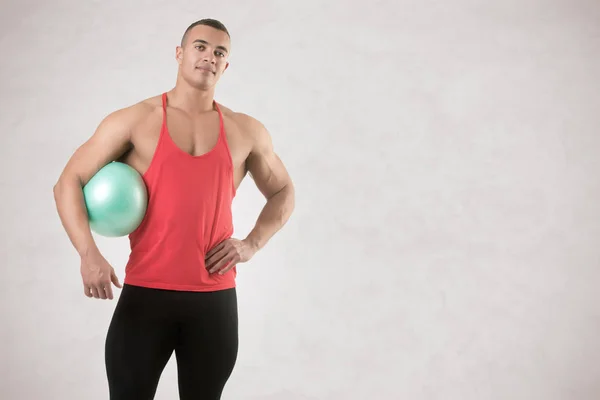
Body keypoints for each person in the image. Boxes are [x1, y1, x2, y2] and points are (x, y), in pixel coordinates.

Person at [52, 18, 295, 400]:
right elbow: (68, 181)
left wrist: (251, 244)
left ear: (225, 66)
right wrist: (88, 254)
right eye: (200, 47)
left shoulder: (246, 131)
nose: (209, 57)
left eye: (219, 52)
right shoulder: (135, 120)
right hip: (145, 298)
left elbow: (283, 190)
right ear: (179, 54)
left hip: (213, 302)